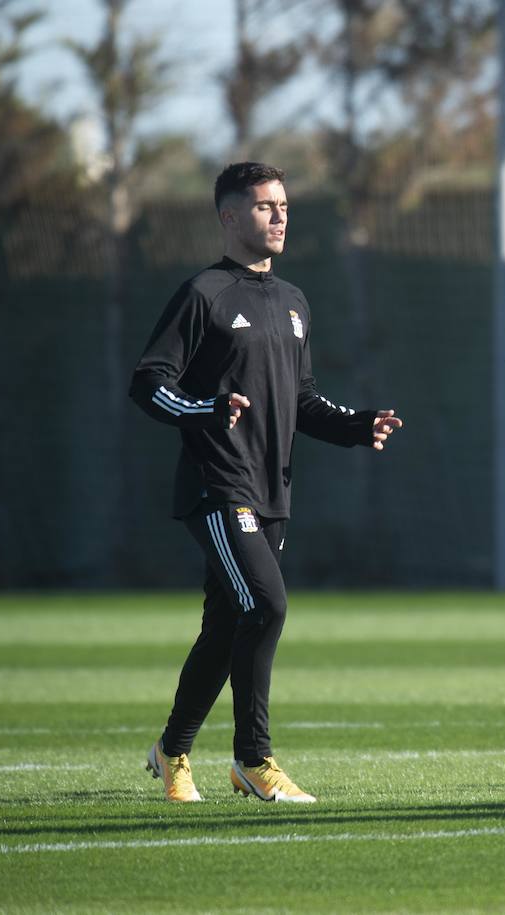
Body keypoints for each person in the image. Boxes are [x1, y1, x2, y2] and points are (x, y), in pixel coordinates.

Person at [130, 162, 403, 804]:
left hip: (273, 489)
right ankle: (254, 760)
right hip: (218, 484)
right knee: (267, 605)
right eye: (263, 206)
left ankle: (171, 750)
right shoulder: (203, 293)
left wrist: (358, 426)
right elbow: (149, 383)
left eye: (283, 204)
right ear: (228, 217)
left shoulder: (293, 301)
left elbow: (303, 401)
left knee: (227, 626)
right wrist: (205, 410)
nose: (279, 216)